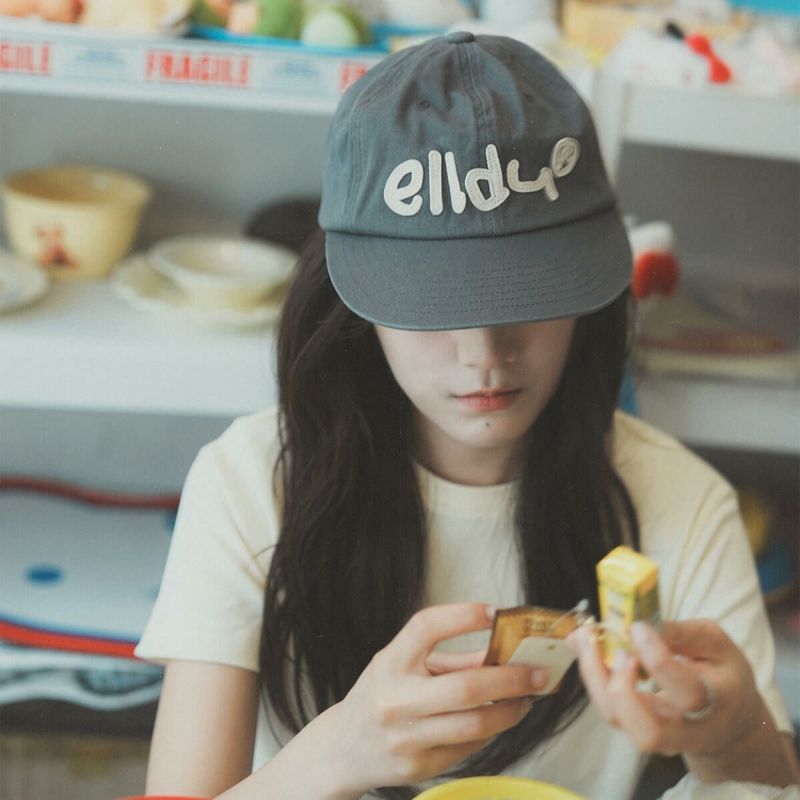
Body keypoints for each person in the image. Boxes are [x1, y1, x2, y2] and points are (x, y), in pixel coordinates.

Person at [135, 33, 799, 800]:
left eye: (529, 296)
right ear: (355, 305)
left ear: (590, 299)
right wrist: (338, 755)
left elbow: (770, 780)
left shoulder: (683, 502)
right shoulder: (249, 483)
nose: (483, 355)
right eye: (434, 305)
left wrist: (734, 731)